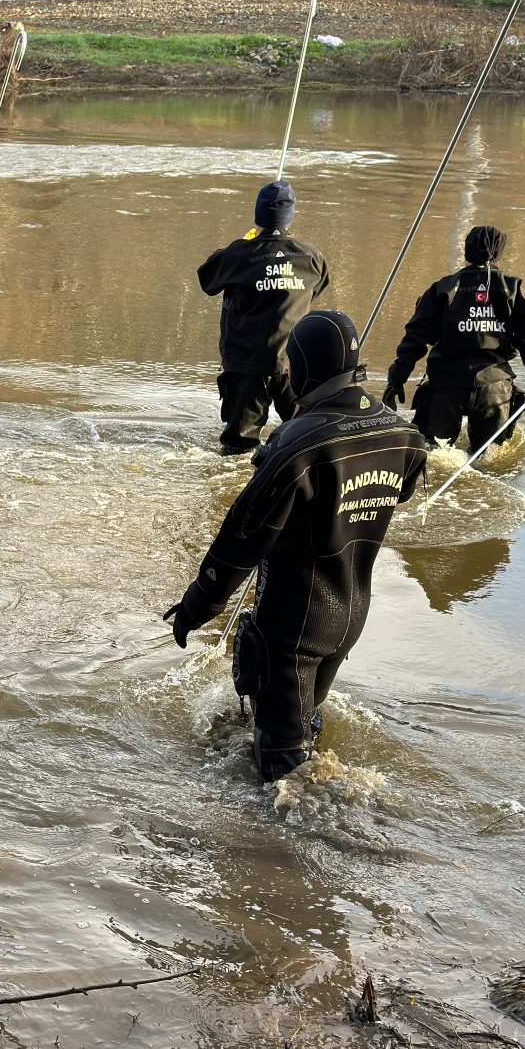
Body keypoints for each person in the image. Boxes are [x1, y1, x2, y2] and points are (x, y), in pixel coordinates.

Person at [164, 309, 427, 783]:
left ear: (305, 365)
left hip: (292, 624)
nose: (286, 371)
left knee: (283, 770)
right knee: (304, 725)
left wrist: (196, 606)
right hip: (350, 614)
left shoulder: (298, 446)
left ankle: (297, 847)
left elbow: (241, 538)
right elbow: (395, 487)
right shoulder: (403, 434)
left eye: (291, 363)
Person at [382, 225, 525, 450]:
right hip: (494, 388)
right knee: (489, 458)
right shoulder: (513, 288)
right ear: (500, 252)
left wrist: (397, 378)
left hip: (445, 387)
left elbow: (415, 338)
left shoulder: (443, 288)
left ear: (466, 250)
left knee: (434, 455)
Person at [198, 179, 329, 458]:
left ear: (258, 215)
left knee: (238, 447)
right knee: (304, 440)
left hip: (247, 364)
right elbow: (316, 290)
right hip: (294, 365)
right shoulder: (312, 256)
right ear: (291, 215)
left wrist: (244, 244)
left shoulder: (238, 253)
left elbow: (207, 280)